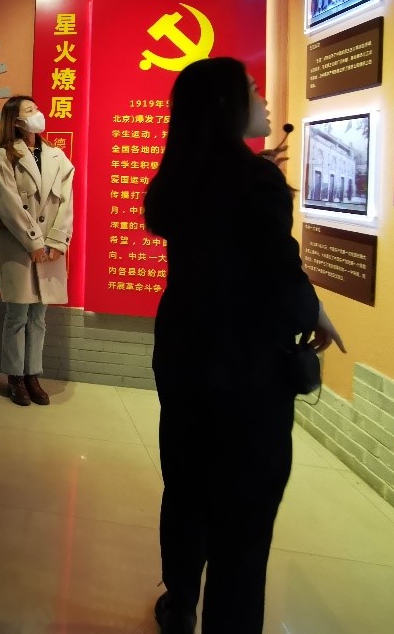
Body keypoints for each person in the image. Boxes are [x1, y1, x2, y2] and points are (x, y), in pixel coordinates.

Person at [143, 57, 345, 634]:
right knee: (245, 518)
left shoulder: (179, 178)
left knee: (186, 485)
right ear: (227, 105)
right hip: (248, 368)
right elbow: (278, 269)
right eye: (253, 89)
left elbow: (220, 242)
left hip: (184, 354)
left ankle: (180, 603)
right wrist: (315, 312)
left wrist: (256, 174)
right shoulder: (255, 181)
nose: (263, 98)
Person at [0, 95, 74, 407]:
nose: (37, 114)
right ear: (16, 120)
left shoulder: (57, 156)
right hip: (18, 246)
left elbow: (66, 202)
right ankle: (15, 377)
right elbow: (8, 204)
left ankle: (32, 374)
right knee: (17, 314)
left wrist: (57, 241)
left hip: (50, 249)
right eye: (29, 111)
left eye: (36, 109)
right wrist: (34, 242)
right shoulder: (4, 156)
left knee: (39, 316)